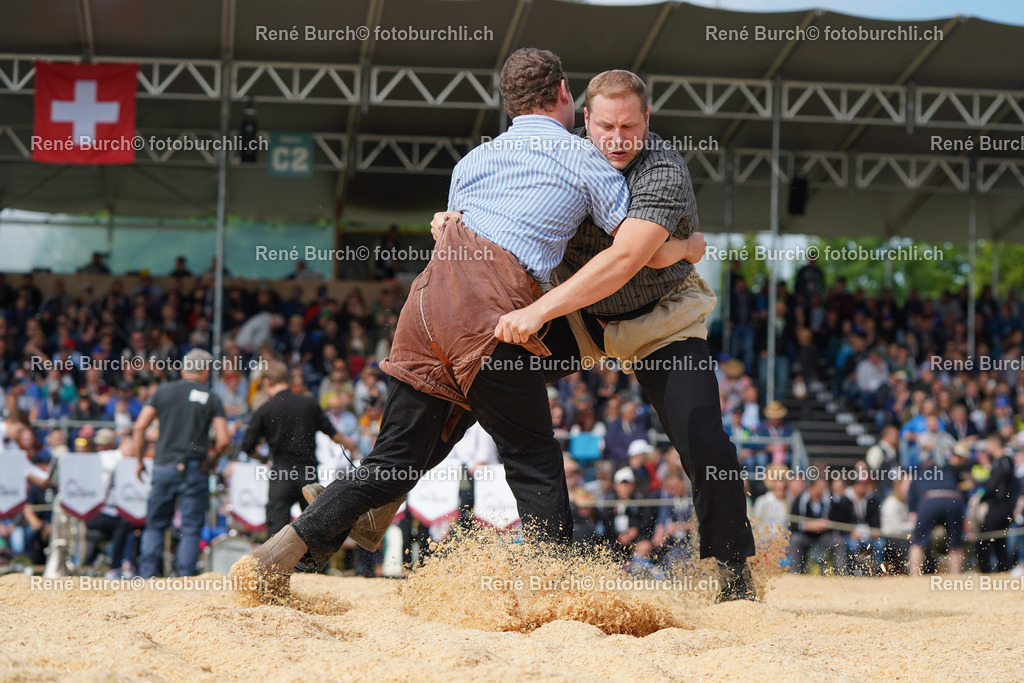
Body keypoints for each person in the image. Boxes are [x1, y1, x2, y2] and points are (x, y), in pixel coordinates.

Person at [238, 48, 700, 597]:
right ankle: (553, 591)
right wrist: (691, 245)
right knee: (533, 458)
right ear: (563, 94)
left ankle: (281, 550)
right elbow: (634, 250)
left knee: (397, 456)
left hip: (426, 303)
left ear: (508, 105)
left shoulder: (472, 162)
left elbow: (449, 228)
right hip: (490, 305)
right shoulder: (586, 160)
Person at [448, 68, 757, 599]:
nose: (617, 139)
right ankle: (381, 485)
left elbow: (627, 261)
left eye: (629, 127)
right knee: (481, 371)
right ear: (584, 119)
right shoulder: (560, 154)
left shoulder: (663, 167)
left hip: (659, 318)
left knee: (703, 434)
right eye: (606, 126)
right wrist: (452, 220)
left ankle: (733, 574)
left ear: (647, 120)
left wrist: (540, 309)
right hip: (578, 316)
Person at [129, 349, 229, 578]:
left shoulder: (163, 392)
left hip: (164, 465)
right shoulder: (212, 397)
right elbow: (223, 439)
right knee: (191, 528)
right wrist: (212, 460)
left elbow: (139, 427)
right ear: (205, 371)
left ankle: (147, 577)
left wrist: (138, 460)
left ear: (184, 369)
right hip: (195, 468)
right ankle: (185, 578)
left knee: (155, 524)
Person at [239, 361, 353, 537]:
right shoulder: (308, 403)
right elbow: (334, 434)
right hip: (307, 473)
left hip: (281, 473)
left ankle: (278, 565)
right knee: (315, 530)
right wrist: (351, 446)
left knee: (276, 533)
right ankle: (315, 565)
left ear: (267, 381)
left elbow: (247, 446)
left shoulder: (266, 408)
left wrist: (264, 459)